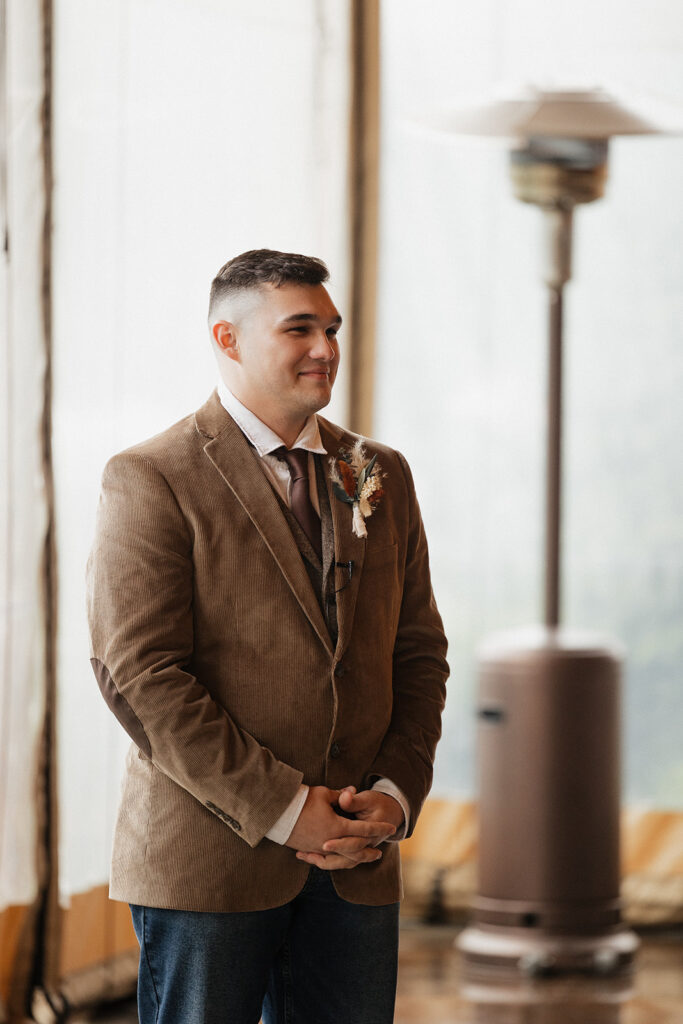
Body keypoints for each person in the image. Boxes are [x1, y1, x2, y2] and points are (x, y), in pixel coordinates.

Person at [86, 249, 448, 1024]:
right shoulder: (150, 476)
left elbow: (417, 654)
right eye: (299, 329)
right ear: (228, 338)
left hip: (357, 859)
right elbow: (140, 677)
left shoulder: (379, 472)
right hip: (209, 863)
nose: (325, 349)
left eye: (332, 328)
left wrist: (391, 794)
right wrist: (287, 809)